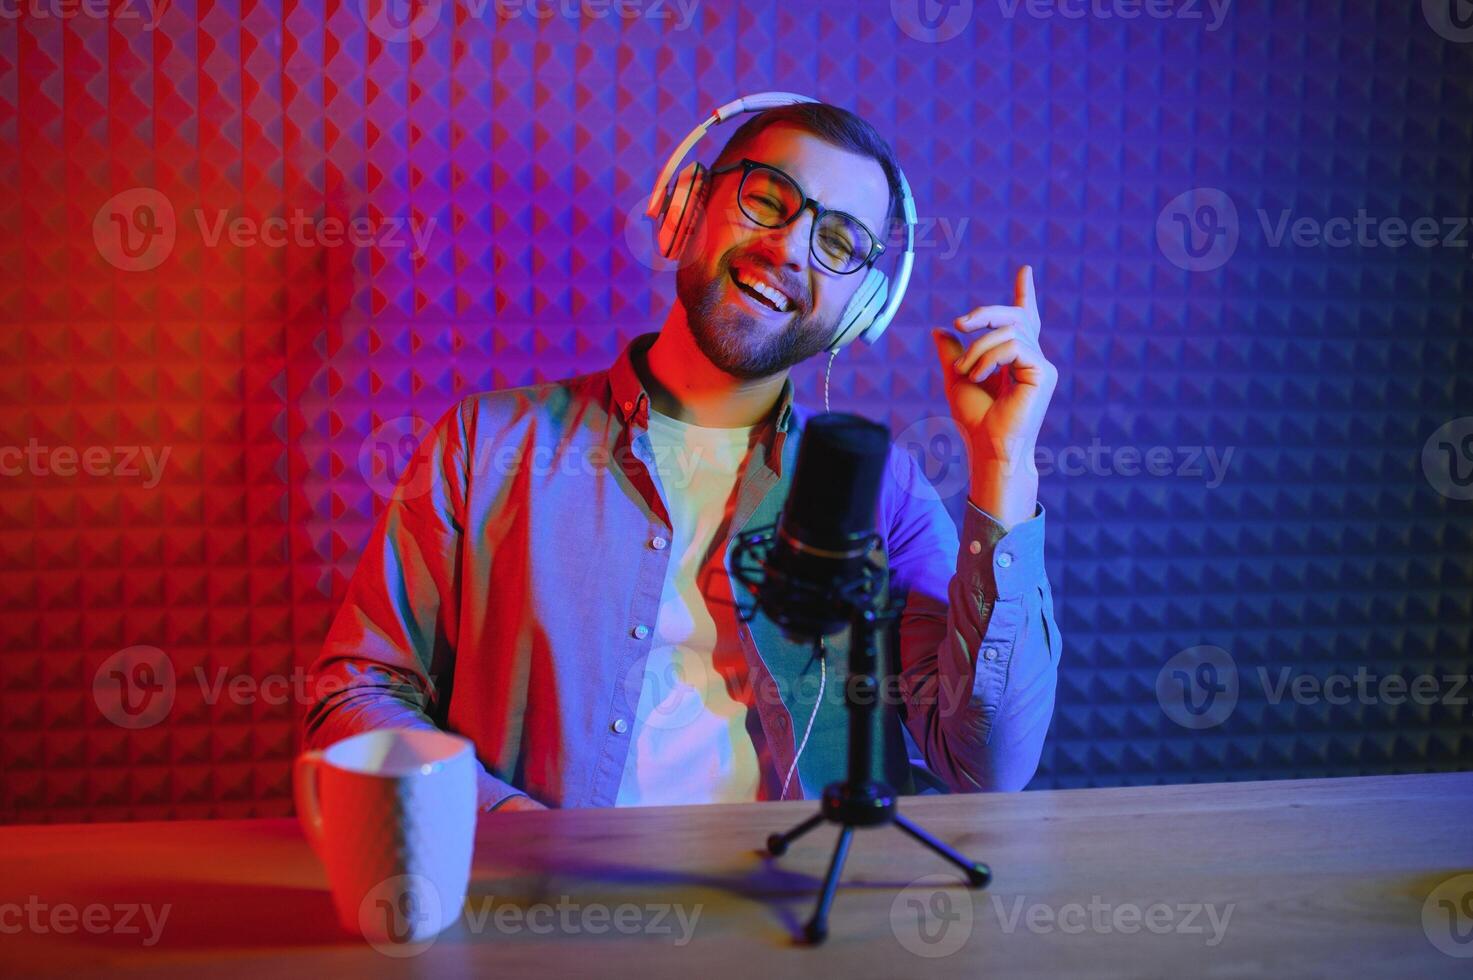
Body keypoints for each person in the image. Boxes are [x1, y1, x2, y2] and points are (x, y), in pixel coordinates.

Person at [302, 99, 1061, 812]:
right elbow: (358, 694)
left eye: (836, 242)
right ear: (689, 205)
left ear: (860, 304)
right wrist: (508, 829)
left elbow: (984, 762)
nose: (788, 248)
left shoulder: (884, 492)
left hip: (792, 931)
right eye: (768, 199)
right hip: (545, 926)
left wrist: (1003, 464)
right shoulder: (488, 446)